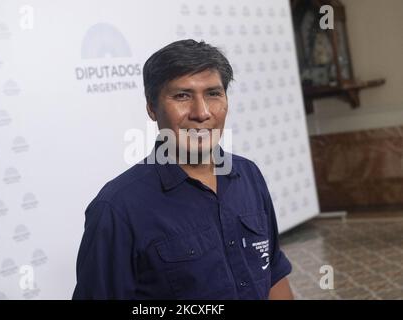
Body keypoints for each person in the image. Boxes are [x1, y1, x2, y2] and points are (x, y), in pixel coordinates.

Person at [72, 39, 293, 299]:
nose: (201, 113)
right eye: (182, 96)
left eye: (213, 94)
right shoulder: (117, 209)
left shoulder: (249, 175)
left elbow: (273, 273)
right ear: (152, 108)